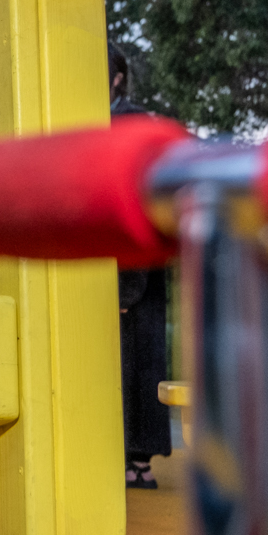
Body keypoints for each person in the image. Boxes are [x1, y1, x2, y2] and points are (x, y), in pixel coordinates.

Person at [111, 45, 171, 490]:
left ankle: (136, 459)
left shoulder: (130, 122)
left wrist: (128, 285)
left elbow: (142, 201)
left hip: (135, 264)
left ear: (117, 78)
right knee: (118, 363)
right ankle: (125, 455)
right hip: (109, 262)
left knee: (135, 362)